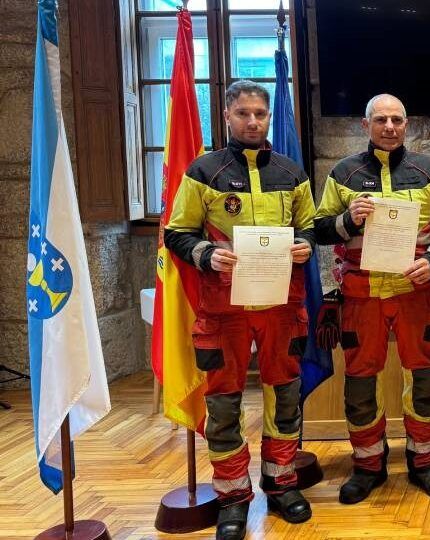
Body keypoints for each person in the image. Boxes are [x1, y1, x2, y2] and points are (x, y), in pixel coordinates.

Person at [164, 80, 314, 540]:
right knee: (224, 405)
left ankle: (281, 481)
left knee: (285, 397)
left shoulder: (291, 172)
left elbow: (309, 229)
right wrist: (206, 255)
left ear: (270, 118)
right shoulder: (203, 170)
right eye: (243, 113)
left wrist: (305, 247)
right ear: (227, 116)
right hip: (222, 310)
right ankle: (233, 496)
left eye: (260, 114)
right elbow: (175, 233)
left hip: (281, 308)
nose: (253, 121)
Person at [314, 93, 430, 504]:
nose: (390, 127)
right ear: (366, 125)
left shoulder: (429, 171)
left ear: (407, 123)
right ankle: (367, 465)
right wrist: (347, 220)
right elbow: (320, 228)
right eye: (381, 120)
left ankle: (425, 462)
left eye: (397, 119)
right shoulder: (344, 173)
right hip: (362, 297)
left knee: (425, 380)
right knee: (361, 384)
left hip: (416, 293)